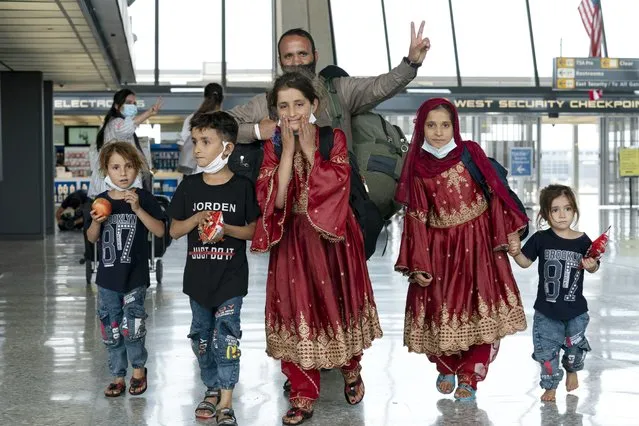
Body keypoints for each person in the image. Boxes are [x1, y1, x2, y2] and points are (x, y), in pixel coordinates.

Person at [250, 72, 383, 425]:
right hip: (292, 241)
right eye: (283, 106)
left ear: (314, 105)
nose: (291, 112)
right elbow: (275, 201)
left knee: (338, 308)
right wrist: (289, 154)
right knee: (295, 314)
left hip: (333, 241)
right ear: (275, 110)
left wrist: (310, 152)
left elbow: (336, 190)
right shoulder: (273, 146)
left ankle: (351, 368)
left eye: (299, 104)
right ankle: (303, 394)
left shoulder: (332, 138)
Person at [393, 98, 528, 401]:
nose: (439, 132)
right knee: (442, 306)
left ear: (455, 125)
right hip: (439, 249)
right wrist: (418, 262)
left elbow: (495, 193)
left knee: (479, 308)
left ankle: (469, 374)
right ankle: (446, 365)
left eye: (445, 125)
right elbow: (415, 216)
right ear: (420, 128)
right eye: (431, 125)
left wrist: (508, 232)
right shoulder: (417, 165)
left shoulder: (471, 153)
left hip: (479, 245)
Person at [169, 111, 259, 425]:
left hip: (231, 280)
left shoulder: (243, 187)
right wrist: (196, 219)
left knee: (228, 338)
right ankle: (210, 385)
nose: (197, 149)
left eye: (206, 142)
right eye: (195, 141)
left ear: (227, 148)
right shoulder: (190, 187)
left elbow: (254, 231)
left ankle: (226, 397)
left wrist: (227, 230)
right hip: (197, 281)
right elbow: (174, 230)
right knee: (202, 339)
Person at [228, 23, 430, 146]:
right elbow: (218, 126)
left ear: (315, 56)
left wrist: (411, 63)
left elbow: (380, 86)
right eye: (288, 56)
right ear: (281, 61)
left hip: (339, 202)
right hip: (287, 204)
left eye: (302, 54)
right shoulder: (265, 101)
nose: (296, 62)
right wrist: (255, 131)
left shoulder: (340, 90)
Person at [86, 141, 166, 397]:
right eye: (116, 167)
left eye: (128, 167)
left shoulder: (143, 198)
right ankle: (117, 375)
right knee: (110, 328)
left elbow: (160, 230)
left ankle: (139, 370)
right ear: (106, 171)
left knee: (133, 327)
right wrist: (97, 223)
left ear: (137, 170)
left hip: (135, 278)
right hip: (108, 279)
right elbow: (90, 238)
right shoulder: (101, 201)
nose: (123, 173)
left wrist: (138, 209)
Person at [508, 184, 599, 402]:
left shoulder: (583, 240)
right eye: (555, 210)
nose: (562, 214)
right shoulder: (541, 238)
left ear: (574, 210)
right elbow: (525, 262)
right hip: (547, 311)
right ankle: (549, 385)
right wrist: (516, 253)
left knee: (573, 348)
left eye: (567, 209)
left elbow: (595, 265)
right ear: (545, 214)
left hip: (575, 311)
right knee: (546, 352)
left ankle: (572, 369)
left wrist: (590, 265)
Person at [88, 88, 163, 197]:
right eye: (128, 103)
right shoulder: (115, 123)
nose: (132, 106)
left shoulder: (115, 124)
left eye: (134, 103)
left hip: (119, 180)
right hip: (115, 181)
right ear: (117, 106)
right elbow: (125, 128)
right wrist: (148, 113)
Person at [178, 83, 224, 175]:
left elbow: (182, 146)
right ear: (222, 98)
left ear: (205, 96)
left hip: (196, 172)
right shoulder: (226, 119)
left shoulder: (192, 118)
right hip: (220, 172)